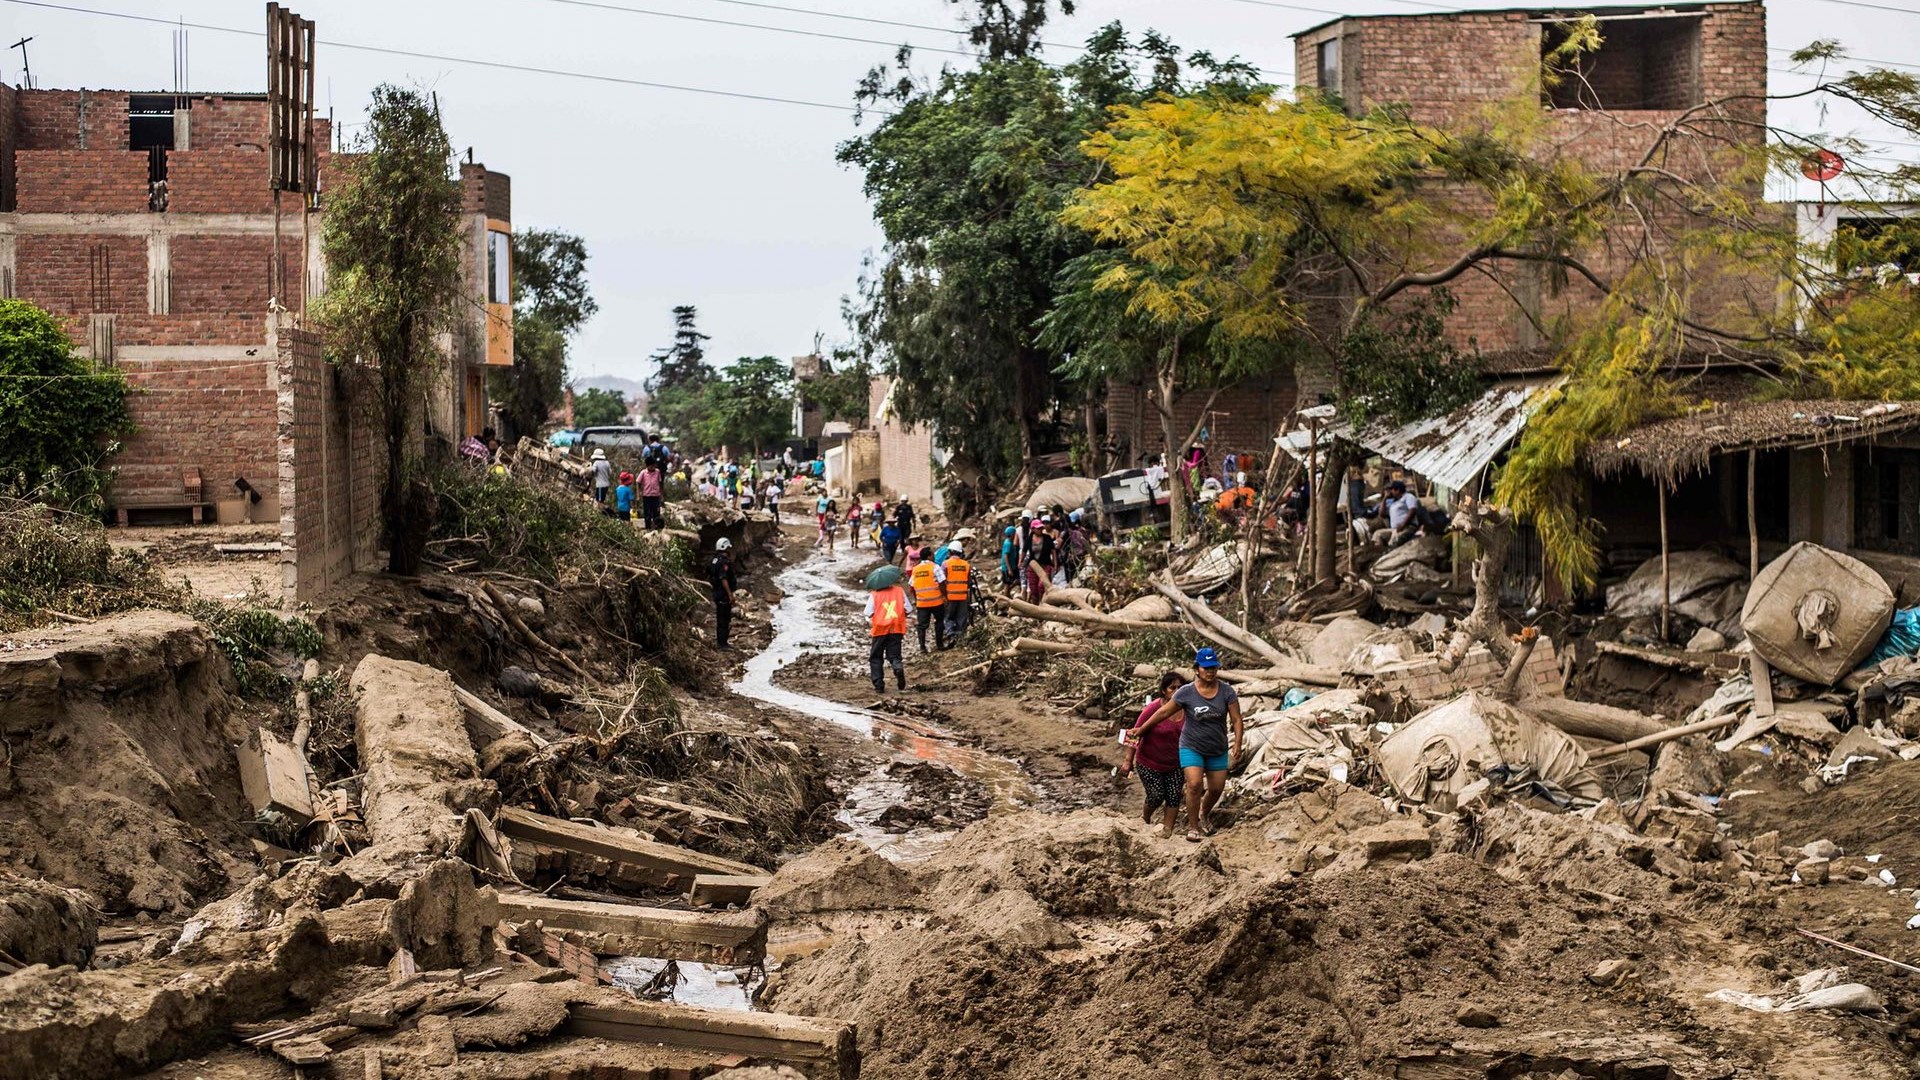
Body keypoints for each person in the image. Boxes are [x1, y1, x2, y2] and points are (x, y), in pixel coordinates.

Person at [1132, 647, 1243, 843]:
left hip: (1217, 747)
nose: (1210, 672)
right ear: (1197, 669)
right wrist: (1141, 729)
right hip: (1191, 745)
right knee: (1194, 785)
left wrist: (1238, 743)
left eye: (1213, 668)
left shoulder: (1227, 691)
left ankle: (1204, 813)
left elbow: (1236, 719)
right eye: (1206, 668)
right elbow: (1163, 713)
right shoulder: (1186, 692)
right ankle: (1193, 827)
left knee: (1216, 788)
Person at [1119, 672, 1188, 838]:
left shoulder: (1187, 709)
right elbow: (1134, 733)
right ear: (1164, 690)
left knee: (1173, 796)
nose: (1177, 691)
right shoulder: (1153, 708)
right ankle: (1145, 818)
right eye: (1173, 688)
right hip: (1148, 761)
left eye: (1180, 687)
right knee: (1156, 795)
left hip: (1175, 763)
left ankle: (1167, 831)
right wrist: (1128, 761)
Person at [865, 572, 909, 693]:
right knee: (894, 655)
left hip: (880, 629)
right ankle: (897, 667)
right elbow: (908, 609)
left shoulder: (874, 595)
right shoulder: (899, 591)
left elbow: (868, 612)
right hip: (896, 628)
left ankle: (879, 685)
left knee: (876, 657)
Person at [909, 548, 946, 654]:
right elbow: (942, 583)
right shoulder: (935, 567)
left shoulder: (915, 569)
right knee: (939, 622)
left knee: (922, 626)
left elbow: (911, 586)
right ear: (929, 556)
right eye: (933, 554)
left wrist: (917, 599)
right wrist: (945, 596)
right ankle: (939, 645)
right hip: (936, 602)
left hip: (922, 603)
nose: (934, 556)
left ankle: (922, 648)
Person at [1373, 479, 1422, 546]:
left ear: (1398, 490)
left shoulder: (1408, 497)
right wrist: (1384, 498)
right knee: (1378, 535)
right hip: (1395, 529)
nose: (1390, 492)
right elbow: (1382, 514)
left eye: (1392, 490)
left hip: (1407, 527)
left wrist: (1403, 525)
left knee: (1393, 542)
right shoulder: (1393, 503)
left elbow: (1412, 510)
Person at [709, 537, 738, 651]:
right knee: (724, 619)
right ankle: (722, 644)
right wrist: (730, 594)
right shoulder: (723, 562)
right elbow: (723, 578)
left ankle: (721, 642)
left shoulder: (715, 560)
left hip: (717, 593)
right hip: (723, 595)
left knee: (721, 618)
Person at [942, 539, 972, 644]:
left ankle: (951, 635)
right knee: (961, 617)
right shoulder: (966, 564)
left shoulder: (946, 564)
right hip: (963, 596)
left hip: (950, 596)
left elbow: (942, 580)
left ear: (950, 552)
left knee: (948, 616)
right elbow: (969, 582)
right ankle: (960, 637)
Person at [638, 462, 665, 530]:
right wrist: (639, 494)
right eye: (651, 466)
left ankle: (657, 527)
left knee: (656, 512)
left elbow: (660, 483)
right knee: (647, 513)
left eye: (653, 465)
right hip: (646, 495)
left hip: (656, 495)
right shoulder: (643, 472)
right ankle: (648, 527)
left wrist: (661, 495)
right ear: (647, 466)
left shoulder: (657, 472)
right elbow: (638, 482)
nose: (652, 467)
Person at [1000, 525, 1018, 595]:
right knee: (1007, 584)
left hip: (1011, 566)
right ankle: (1006, 596)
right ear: (1012, 534)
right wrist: (1009, 569)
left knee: (1015, 581)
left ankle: (1007, 594)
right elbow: (1006, 556)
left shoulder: (1009, 542)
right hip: (1007, 568)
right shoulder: (1008, 544)